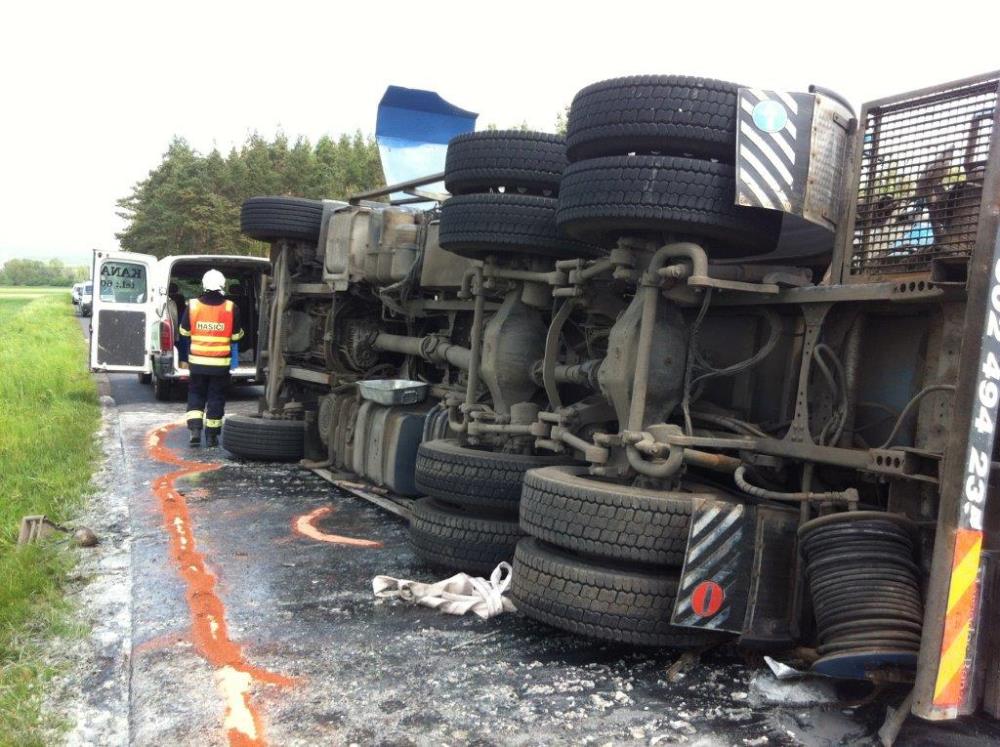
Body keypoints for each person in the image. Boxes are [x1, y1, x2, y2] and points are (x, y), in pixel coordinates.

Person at [177, 270, 244, 447]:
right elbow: (236, 336)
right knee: (216, 397)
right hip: (220, 365)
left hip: (197, 363)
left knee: (196, 394)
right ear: (222, 285)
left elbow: (184, 331)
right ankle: (212, 437)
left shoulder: (193, 305)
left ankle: (194, 431)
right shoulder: (231, 307)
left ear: (204, 284)